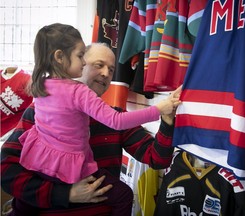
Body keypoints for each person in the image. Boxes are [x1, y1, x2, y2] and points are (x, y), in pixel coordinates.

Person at [15, 23, 180, 216]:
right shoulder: (34, 112)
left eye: (111, 70)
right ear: (78, 63)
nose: (106, 74)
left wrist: (167, 120)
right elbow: (8, 173)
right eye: (98, 65)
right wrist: (65, 194)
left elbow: (158, 159)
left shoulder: (44, 90)